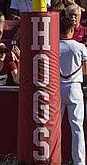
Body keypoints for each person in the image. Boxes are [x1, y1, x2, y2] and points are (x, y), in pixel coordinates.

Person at [60, 14, 87, 165]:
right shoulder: (80, 47)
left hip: (57, 88)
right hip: (75, 87)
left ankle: (52, 158)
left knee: (54, 127)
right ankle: (79, 162)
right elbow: (86, 70)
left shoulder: (52, 47)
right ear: (71, 29)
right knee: (77, 127)